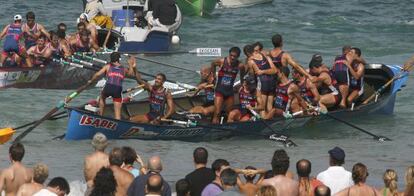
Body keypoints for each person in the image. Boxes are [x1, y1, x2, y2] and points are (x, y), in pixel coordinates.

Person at [87, 52, 135, 120]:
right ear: (119, 59)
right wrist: (130, 64)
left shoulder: (107, 66)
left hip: (108, 87)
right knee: (117, 113)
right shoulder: (124, 69)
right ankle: (117, 121)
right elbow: (131, 74)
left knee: (102, 97)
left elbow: (97, 74)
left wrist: (91, 81)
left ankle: (101, 115)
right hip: (117, 89)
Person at [211, 47, 245, 124]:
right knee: (217, 113)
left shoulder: (240, 65)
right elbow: (212, 64)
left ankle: (226, 128)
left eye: (234, 56)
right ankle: (213, 129)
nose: (232, 57)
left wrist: (242, 84)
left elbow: (242, 75)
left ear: (238, 57)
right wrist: (213, 76)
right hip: (220, 90)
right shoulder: (222, 61)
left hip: (229, 92)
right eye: (231, 55)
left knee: (229, 113)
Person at [247, 43, 277, 112]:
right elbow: (274, 70)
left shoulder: (251, 61)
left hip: (263, 84)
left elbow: (252, 75)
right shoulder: (265, 56)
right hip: (272, 83)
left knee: (262, 108)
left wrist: (262, 72)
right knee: (269, 107)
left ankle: (261, 120)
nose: (257, 52)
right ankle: (273, 121)